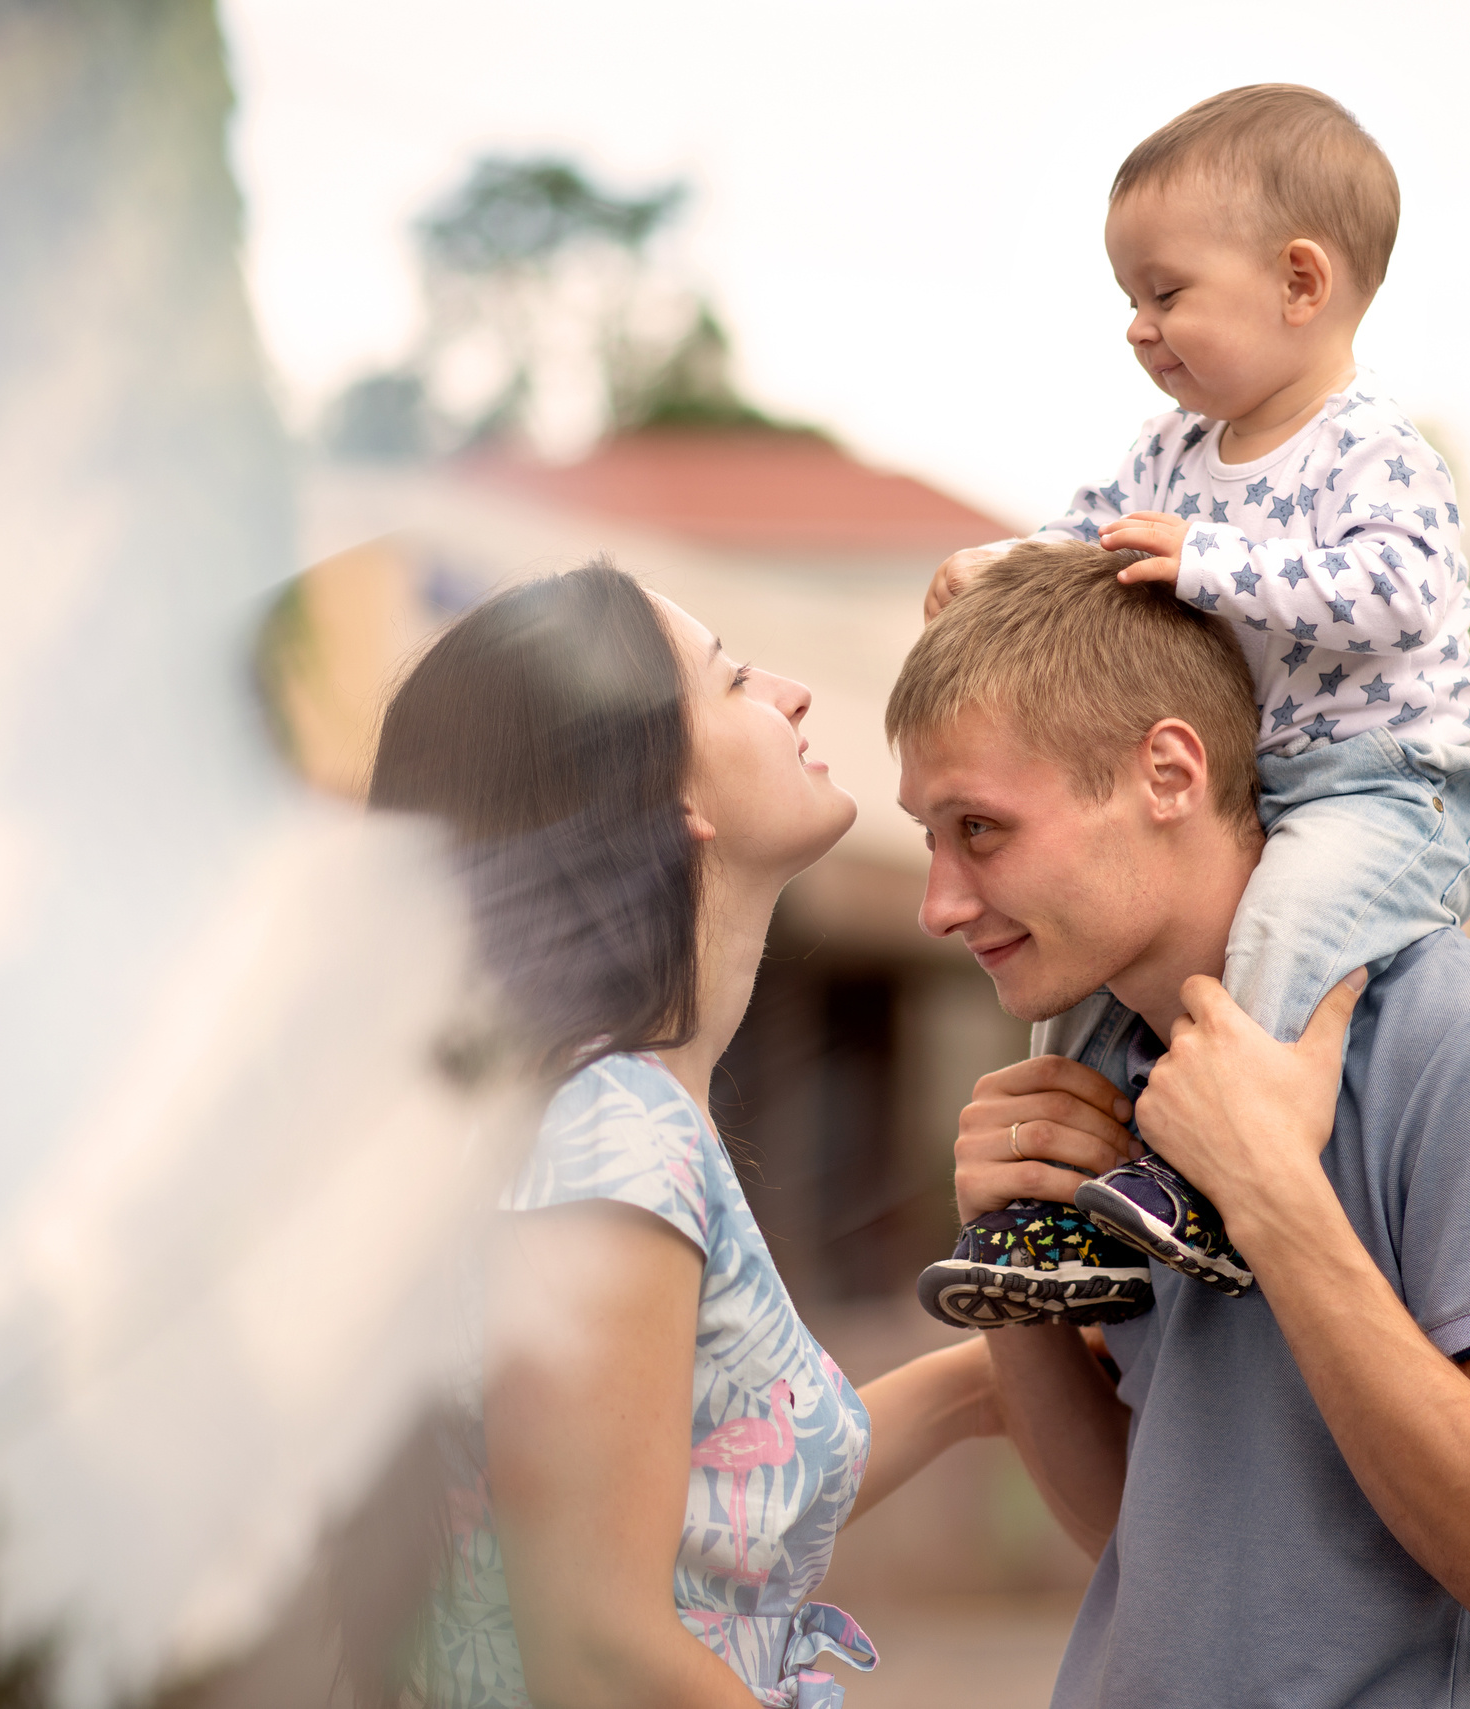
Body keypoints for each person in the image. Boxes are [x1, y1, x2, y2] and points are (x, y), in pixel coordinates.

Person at [889, 545, 1470, 1705]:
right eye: (930, 836)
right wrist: (1017, 1276)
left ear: (1168, 772)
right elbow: (1142, 1537)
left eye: (979, 828)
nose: (938, 903)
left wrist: (1272, 1194)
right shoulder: (1117, 1067)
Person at [915, 84, 1470, 1323]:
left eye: (1165, 292)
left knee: (1285, 926)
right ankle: (1064, 1214)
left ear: (1300, 282)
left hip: (1390, 786)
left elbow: (1402, 593)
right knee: (1086, 974)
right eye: (1128, 299)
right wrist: (999, 567)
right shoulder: (1169, 450)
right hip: (1260, 782)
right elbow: (1086, 539)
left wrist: (1209, 560)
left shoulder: (1372, 450)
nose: (1139, 329)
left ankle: (1214, 1173)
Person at [368, 563, 1004, 1709]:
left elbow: (714, 1490)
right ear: (666, 799)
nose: (792, 692)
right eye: (736, 680)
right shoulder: (610, 1128)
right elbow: (600, 1648)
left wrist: (982, 1384)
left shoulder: (606, 1108)